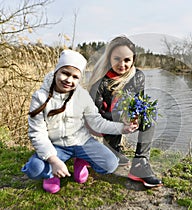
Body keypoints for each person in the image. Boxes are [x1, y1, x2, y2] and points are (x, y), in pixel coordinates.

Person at [21, 49, 138, 194]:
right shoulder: (40, 97)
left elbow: (97, 122)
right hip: (56, 146)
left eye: (75, 77)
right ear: (57, 71)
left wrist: (122, 128)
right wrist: (54, 160)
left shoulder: (82, 96)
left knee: (110, 164)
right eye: (65, 73)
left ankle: (81, 161)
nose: (69, 80)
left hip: (82, 142)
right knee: (34, 169)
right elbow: (37, 133)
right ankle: (50, 174)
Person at [88, 36, 163, 188]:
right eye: (117, 59)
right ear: (109, 58)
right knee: (111, 162)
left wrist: (134, 117)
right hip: (102, 123)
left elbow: (139, 103)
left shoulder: (138, 76)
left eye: (127, 60)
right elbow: (96, 115)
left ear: (133, 59)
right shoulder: (100, 80)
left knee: (149, 114)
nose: (122, 65)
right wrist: (122, 121)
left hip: (123, 120)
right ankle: (111, 149)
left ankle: (140, 164)